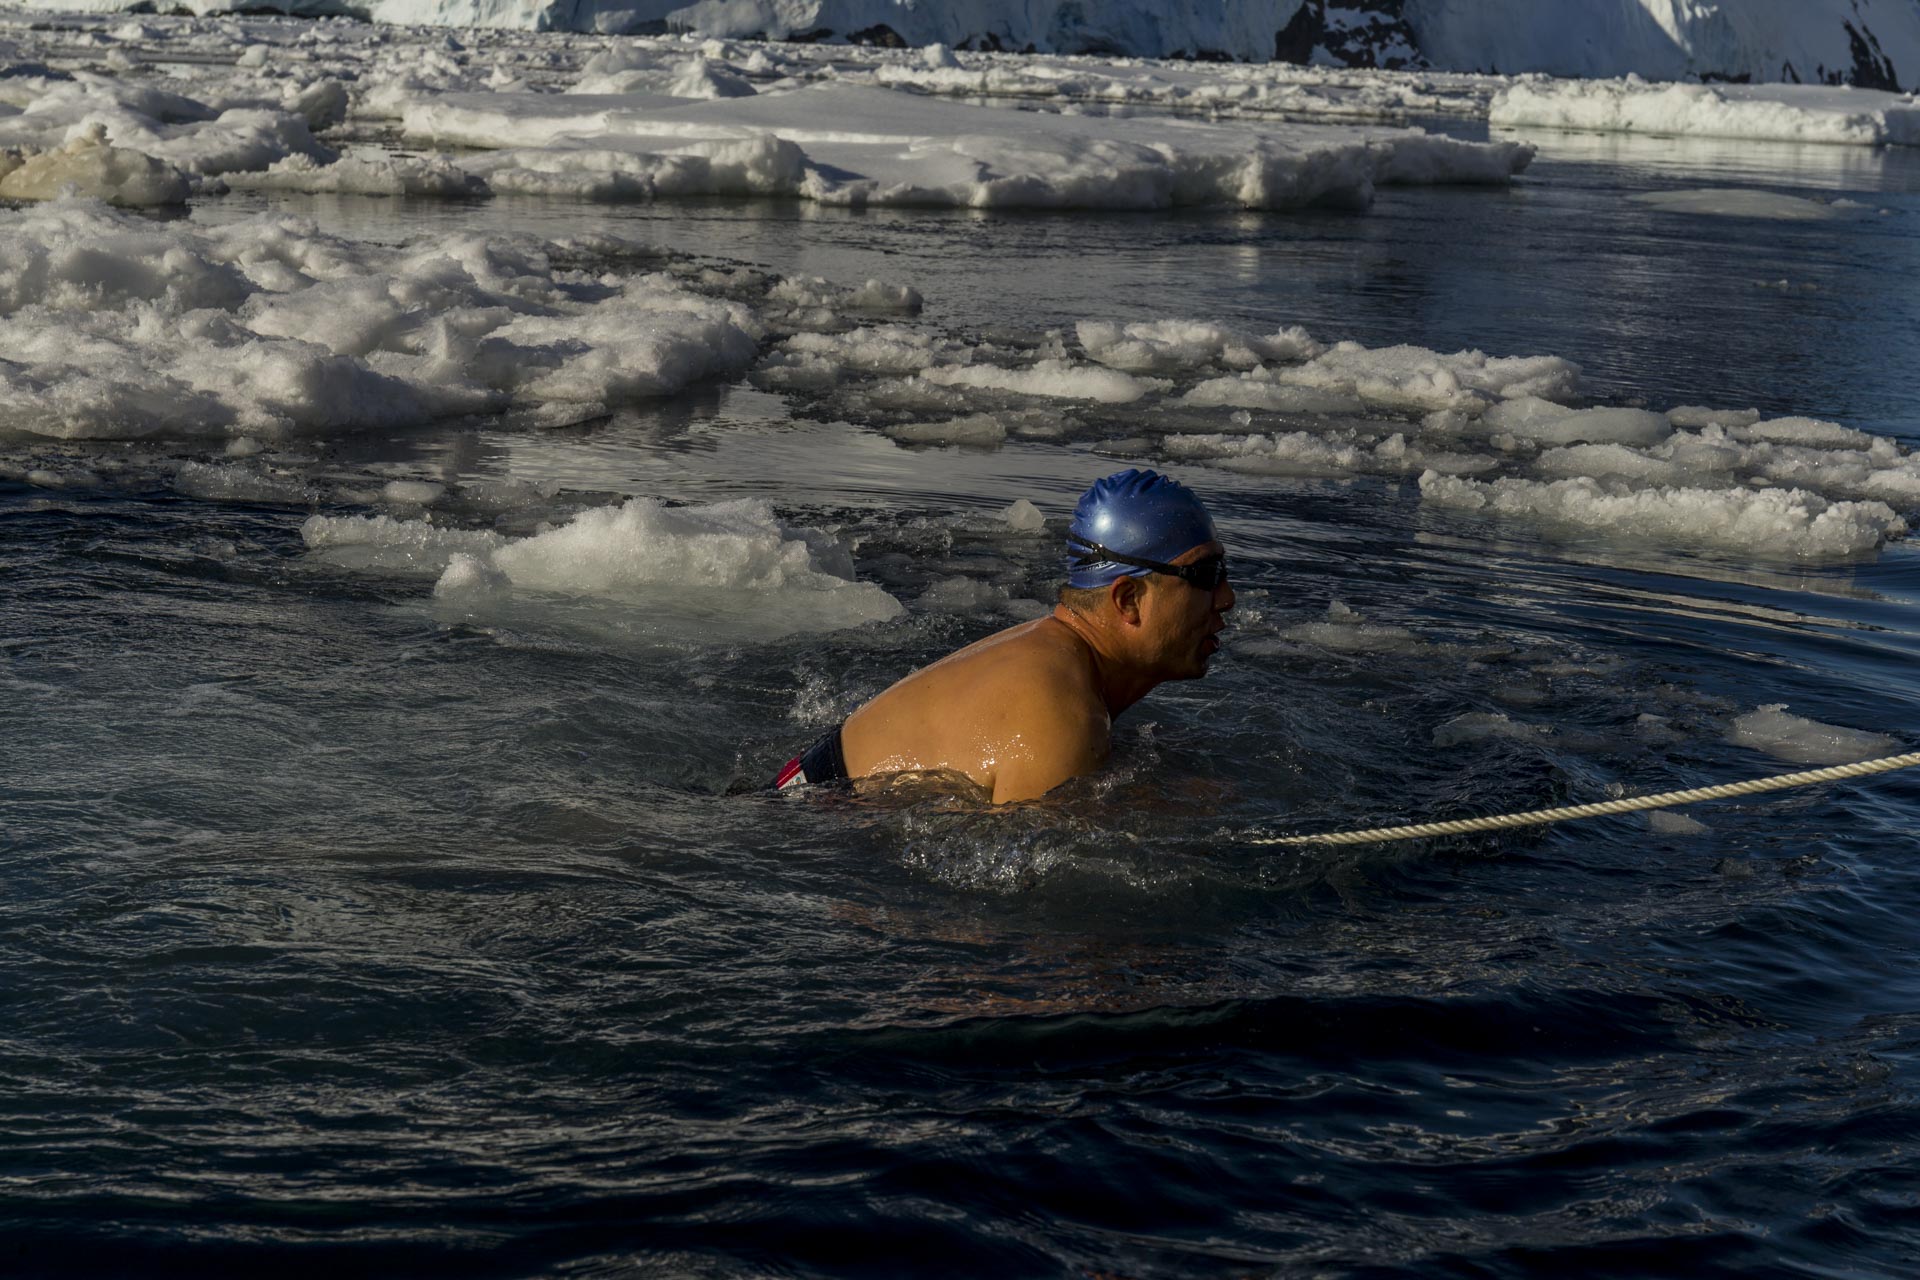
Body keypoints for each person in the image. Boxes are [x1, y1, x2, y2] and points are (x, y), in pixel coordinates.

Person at [774, 468, 1234, 803]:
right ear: (1128, 600)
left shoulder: (1054, 659)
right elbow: (1035, 914)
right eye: (1206, 575)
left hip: (807, 810)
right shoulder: (1059, 712)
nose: (1227, 597)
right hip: (802, 839)